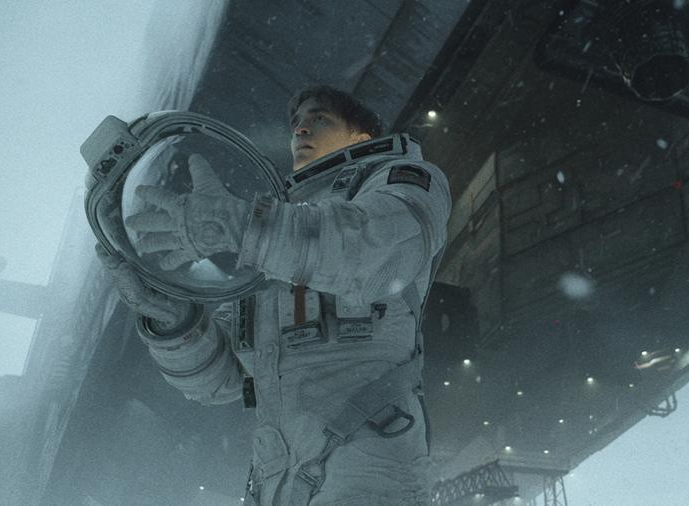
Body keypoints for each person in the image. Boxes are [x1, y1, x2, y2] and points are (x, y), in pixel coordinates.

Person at [96, 85, 451, 505]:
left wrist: (243, 226)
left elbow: (369, 250)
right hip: (279, 484)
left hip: (371, 475)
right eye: (296, 122)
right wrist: (173, 321)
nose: (301, 129)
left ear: (361, 137)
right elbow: (223, 378)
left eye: (320, 118)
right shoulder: (275, 241)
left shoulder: (403, 180)